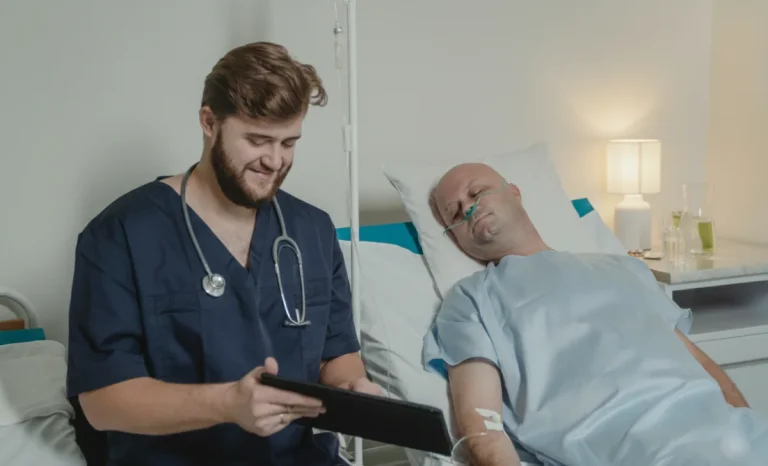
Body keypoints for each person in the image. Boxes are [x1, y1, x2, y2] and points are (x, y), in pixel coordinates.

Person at [66, 42, 380, 466]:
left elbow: (336, 356)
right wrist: (228, 404)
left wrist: (352, 390)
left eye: (289, 143)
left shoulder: (312, 230)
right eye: (257, 140)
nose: (275, 161)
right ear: (209, 122)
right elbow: (102, 402)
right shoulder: (120, 234)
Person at [422, 162, 768, 466]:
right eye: (454, 213)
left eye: (476, 193)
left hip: (724, 437)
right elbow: (482, 427)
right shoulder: (471, 299)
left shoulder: (623, 268)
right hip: (624, 446)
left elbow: (700, 363)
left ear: (514, 192)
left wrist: (748, 428)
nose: (468, 208)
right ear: (456, 238)